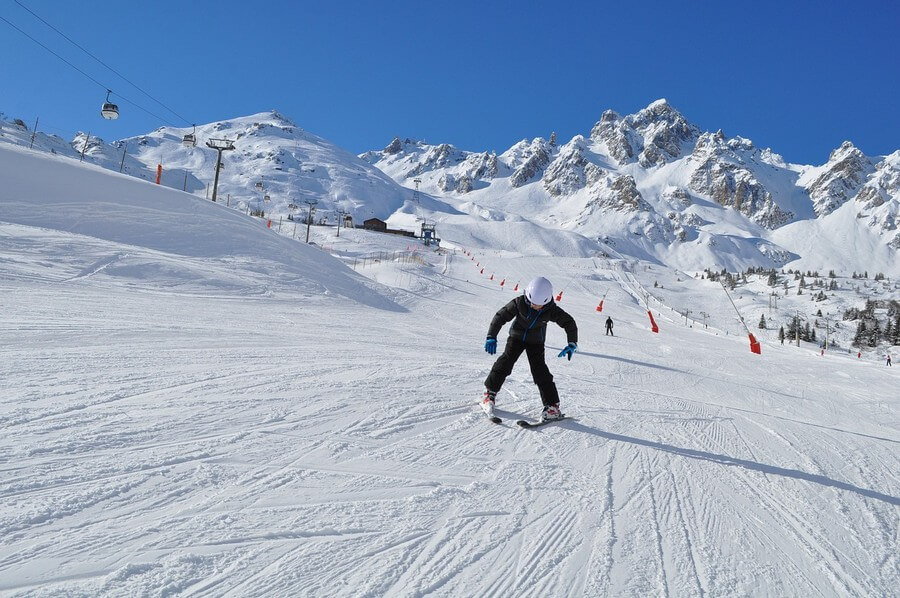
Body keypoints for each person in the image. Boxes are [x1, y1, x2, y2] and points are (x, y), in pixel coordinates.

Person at [482, 276, 578, 422]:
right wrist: (491, 336)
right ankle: (489, 394)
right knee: (505, 362)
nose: (534, 306)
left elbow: (569, 322)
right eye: (532, 303)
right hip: (516, 337)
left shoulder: (551, 310)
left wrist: (572, 342)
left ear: (546, 301)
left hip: (536, 342)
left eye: (538, 305)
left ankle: (552, 406)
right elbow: (501, 316)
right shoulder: (519, 302)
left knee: (540, 370)